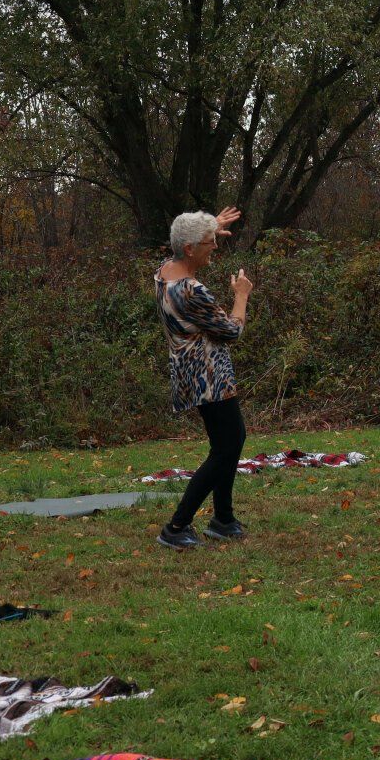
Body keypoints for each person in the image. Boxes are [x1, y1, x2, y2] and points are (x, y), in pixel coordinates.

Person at [154, 207, 252, 550]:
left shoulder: (164, 272)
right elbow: (231, 331)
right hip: (209, 375)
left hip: (189, 372)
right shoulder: (192, 291)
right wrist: (241, 295)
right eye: (209, 242)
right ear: (190, 248)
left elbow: (180, 241)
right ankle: (176, 526)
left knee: (227, 443)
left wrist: (212, 225)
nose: (215, 246)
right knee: (228, 446)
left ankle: (223, 519)